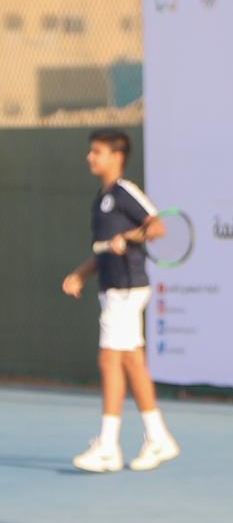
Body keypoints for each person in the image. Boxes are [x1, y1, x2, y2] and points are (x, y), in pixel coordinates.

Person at [61, 130, 179, 473]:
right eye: (91, 151)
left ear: (117, 157)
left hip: (127, 290)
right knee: (131, 362)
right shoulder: (100, 200)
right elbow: (103, 252)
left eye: (97, 152)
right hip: (112, 288)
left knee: (109, 360)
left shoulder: (125, 192)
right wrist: (80, 274)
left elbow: (157, 228)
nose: (90, 157)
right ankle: (158, 436)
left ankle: (108, 446)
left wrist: (128, 237)